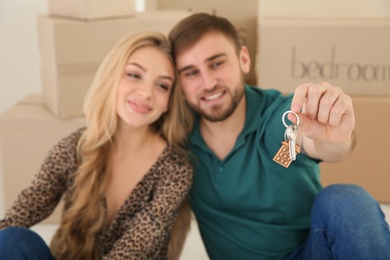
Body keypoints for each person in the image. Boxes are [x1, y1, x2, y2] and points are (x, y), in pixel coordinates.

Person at [168, 12, 390, 259]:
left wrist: (335, 138)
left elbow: (307, 138)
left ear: (243, 59)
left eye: (217, 63)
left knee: (347, 199)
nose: (208, 83)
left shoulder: (276, 117)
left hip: (308, 253)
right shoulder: (177, 136)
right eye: (191, 72)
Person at [0, 31, 194, 259]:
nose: (146, 93)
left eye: (162, 86)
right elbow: (16, 218)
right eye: (134, 75)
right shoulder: (74, 148)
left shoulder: (175, 170)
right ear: (113, 79)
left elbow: (131, 253)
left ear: (168, 104)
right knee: (13, 240)